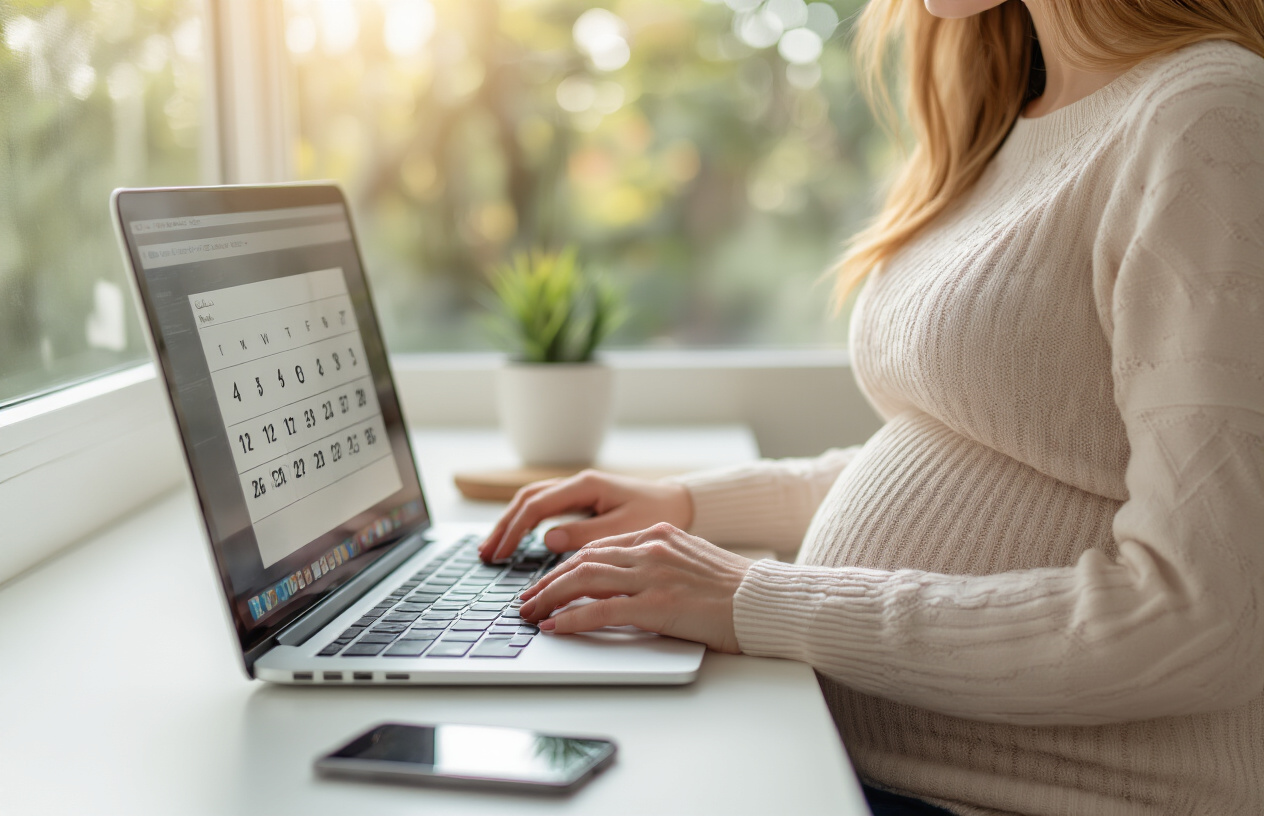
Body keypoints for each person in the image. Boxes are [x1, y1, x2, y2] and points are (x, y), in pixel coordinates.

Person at [479, 1, 1264, 813]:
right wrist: (694, 505)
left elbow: (1205, 614)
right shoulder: (1021, 113)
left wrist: (760, 600)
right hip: (856, 758)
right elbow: (985, 461)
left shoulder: (1210, 119)